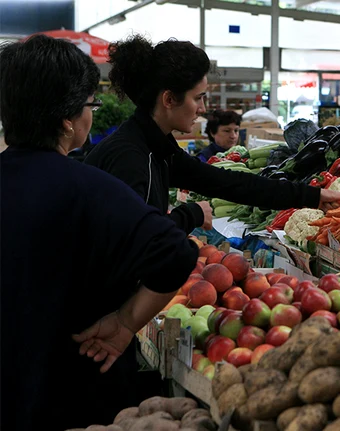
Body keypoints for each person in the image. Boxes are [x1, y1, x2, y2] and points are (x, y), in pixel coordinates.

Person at [0, 36, 200, 430]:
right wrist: (126, 322)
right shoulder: (89, 188)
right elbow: (175, 251)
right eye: (90, 104)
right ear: (67, 119)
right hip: (78, 393)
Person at [85, 35, 340, 235]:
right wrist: (192, 214)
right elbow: (136, 237)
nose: (203, 108)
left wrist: (312, 196)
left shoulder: (157, 146)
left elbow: (228, 183)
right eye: (198, 98)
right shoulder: (130, 157)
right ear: (168, 99)